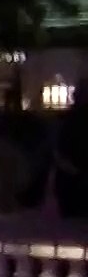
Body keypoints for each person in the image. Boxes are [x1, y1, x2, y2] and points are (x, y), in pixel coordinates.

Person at [51, 78, 88, 216]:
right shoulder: (71, 120)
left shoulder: (67, 120)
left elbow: (59, 152)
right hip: (73, 178)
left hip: (71, 180)